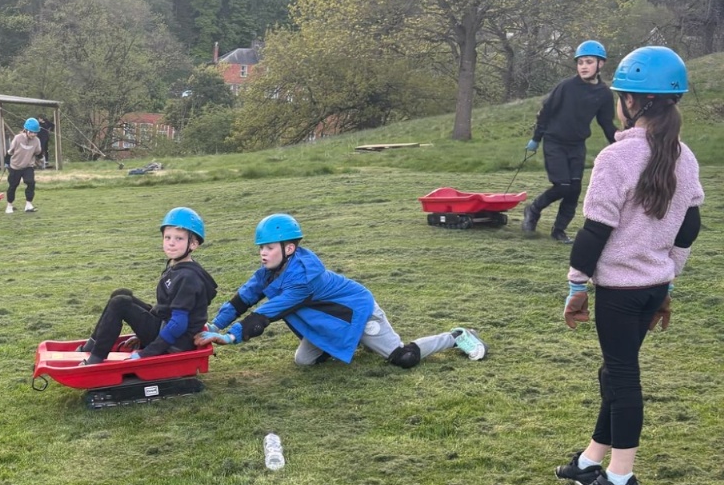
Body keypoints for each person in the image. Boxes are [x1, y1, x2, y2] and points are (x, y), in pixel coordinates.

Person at [557, 45, 703, 485]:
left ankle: (621, 481)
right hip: (652, 287)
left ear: (633, 101)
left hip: (620, 291)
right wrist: (668, 282)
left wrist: (577, 287)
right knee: (614, 370)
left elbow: (594, 231)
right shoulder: (686, 156)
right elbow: (689, 228)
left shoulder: (615, 158)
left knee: (622, 377)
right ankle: (591, 460)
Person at [200, 213, 486, 369]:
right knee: (304, 362)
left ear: (289, 248)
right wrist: (214, 325)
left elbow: (265, 314)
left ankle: (457, 336)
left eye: (269, 247)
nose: (263, 253)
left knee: (403, 358)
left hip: (357, 311)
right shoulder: (268, 272)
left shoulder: (303, 279)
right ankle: (353, 342)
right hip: (330, 321)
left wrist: (231, 336)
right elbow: (244, 298)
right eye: (261, 247)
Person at [81, 208, 217, 364]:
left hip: (176, 343)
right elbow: (164, 309)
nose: (171, 242)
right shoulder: (176, 266)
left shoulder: (188, 278)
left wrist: (148, 352)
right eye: (167, 237)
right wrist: (141, 333)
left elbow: (178, 324)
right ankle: (91, 346)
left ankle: (95, 359)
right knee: (121, 294)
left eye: (179, 238)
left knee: (120, 303)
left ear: (193, 244)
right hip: (164, 326)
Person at [521, 41, 616, 243]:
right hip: (554, 142)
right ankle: (533, 210)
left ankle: (559, 230)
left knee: (574, 189)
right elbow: (546, 111)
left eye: (589, 62)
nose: (583, 66)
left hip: (577, 145)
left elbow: (606, 123)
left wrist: (620, 144)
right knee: (563, 185)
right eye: (580, 62)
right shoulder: (566, 86)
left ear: (600, 64)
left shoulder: (604, 94)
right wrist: (536, 138)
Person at [5, 117, 42, 213]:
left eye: (35, 133)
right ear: (26, 130)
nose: (34, 134)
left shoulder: (36, 141)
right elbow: (10, 151)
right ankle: (9, 205)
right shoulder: (18, 138)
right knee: (13, 185)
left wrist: (40, 157)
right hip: (15, 166)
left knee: (31, 183)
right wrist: (6, 162)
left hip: (28, 166)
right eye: (32, 132)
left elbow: (38, 152)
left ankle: (28, 205)